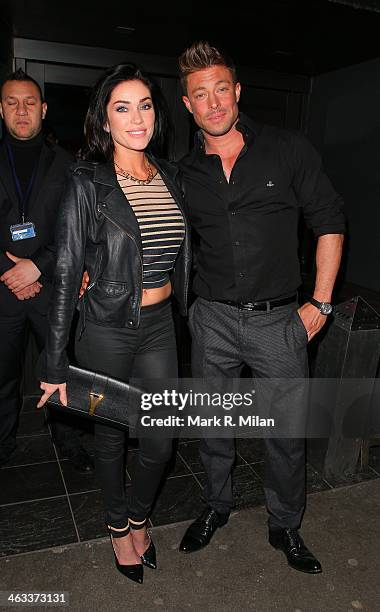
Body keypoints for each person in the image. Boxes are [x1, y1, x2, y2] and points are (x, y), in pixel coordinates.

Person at [177, 41, 345, 574]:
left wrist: (321, 301)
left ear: (237, 91)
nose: (214, 102)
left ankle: (286, 523)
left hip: (280, 321)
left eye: (221, 89)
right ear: (187, 106)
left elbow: (329, 221)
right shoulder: (184, 172)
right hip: (213, 319)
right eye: (200, 94)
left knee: (285, 432)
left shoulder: (288, 149)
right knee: (212, 425)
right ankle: (217, 505)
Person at [37, 63, 191, 583]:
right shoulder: (88, 180)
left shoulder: (171, 175)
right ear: (105, 119)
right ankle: (115, 526)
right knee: (109, 438)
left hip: (160, 325)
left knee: (159, 439)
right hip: (106, 326)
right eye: (122, 107)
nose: (136, 117)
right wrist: (54, 361)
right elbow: (65, 271)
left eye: (145, 105)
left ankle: (139, 517)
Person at [0, 69, 93, 471]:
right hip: (3, 290)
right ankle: (3, 444)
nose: (22, 110)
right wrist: (12, 274)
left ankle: (68, 441)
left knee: (58, 369)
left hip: (51, 288)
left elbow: (77, 228)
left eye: (29, 102)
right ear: (0, 109)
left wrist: (36, 268)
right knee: (1, 376)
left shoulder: (67, 164)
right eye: (12, 102)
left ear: (44, 109)